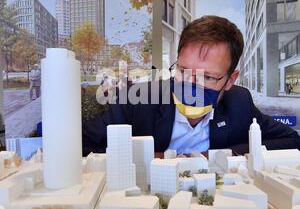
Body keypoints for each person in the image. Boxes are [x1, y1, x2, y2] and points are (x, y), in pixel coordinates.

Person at [82, 16, 300, 157]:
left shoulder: (240, 103)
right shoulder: (139, 99)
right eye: (184, 71)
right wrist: (156, 157)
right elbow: (82, 146)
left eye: (207, 77)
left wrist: (219, 156)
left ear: (230, 80)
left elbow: (292, 141)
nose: (190, 86)